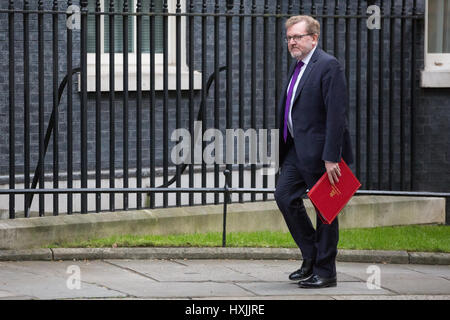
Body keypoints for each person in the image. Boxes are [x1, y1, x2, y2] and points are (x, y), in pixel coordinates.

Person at [274, 15, 353, 289]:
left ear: (314, 38)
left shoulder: (329, 66)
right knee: (284, 196)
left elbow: (336, 114)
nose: (292, 42)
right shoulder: (298, 67)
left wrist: (332, 156)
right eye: (289, 38)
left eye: (297, 37)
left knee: (326, 211)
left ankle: (325, 271)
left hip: (322, 154)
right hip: (297, 150)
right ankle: (311, 255)